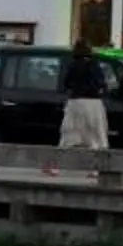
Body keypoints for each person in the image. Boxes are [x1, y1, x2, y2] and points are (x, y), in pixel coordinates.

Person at [45, 34, 109, 175]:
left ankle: (56, 166)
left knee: (68, 135)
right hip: (93, 103)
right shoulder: (94, 64)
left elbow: (66, 83)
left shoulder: (73, 64)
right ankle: (97, 169)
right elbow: (101, 83)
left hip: (75, 102)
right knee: (95, 136)